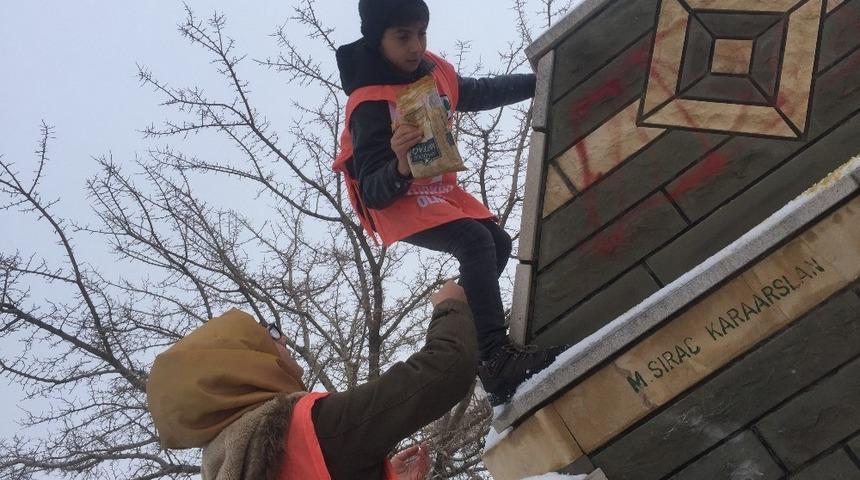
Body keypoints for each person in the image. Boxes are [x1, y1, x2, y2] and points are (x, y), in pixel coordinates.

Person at [332, 0, 565, 406]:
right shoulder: (368, 104)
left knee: (498, 243)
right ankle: (494, 359)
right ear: (377, 39)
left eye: (421, 33)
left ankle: (465, 317)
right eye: (402, 37)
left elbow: (473, 91)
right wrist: (401, 166)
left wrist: (536, 82)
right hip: (396, 198)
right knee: (474, 241)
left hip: (437, 190)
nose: (415, 46)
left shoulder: (432, 70)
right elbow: (371, 189)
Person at [146, 280, 477, 480]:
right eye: (267, 334)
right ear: (241, 365)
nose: (284, 339)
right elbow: (448, 368)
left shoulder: (230, 468)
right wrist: (450, 305)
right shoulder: (309, 430)